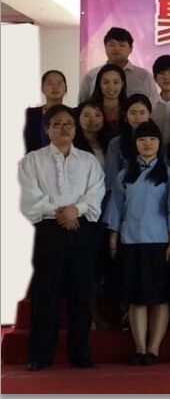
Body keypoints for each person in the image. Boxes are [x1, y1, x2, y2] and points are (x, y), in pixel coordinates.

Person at [19, 105, 106, 371]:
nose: (64, 128)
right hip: (49, 229)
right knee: (46, 293)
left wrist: (76, 210)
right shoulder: (33, 160)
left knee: (81, 292)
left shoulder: (88, 161)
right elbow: (30, 197)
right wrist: (61, 212)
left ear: (75, 128)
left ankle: (80, 354)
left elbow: (96, 191)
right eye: (57, 124)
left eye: (68, 123)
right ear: (47, 129)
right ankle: (40, 355)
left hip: (81, 228)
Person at [104, 120, 170, 366]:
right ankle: (140, 347)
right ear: (135, 144)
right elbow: (116, 208)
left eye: (152, 139)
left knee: (159, 298)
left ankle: (154, 348)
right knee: (136, 298)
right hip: (131, 241)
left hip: (159, 242)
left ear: (160, 143)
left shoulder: (169, 175)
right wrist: (113, 239)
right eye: (142, 139)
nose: (147, 144)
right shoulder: (125, 175)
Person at [79, 27, 158, 104]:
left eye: (122, 45)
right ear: (105, 47)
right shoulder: (91, 75)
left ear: (131, 48)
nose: (116, 49)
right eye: (111, 45)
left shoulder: (144, 76)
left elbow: (153, 105)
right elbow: (82, 105)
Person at [24, 70, 68, 153]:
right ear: (42, 89)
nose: (55, 87)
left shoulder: (73, 115)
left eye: (59, 83)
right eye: (50, 83)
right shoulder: (30, 114)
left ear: (66, 89)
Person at [87, 63, 128, 137]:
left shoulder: (130, 109)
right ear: (99, 84)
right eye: (106, 82)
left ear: (122, 84)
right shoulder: (89, 109)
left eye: (116, 82)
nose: (111, 87)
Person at [73, 101, 111, 167]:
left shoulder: (111, 143)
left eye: (97, 115)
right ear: (78, 119)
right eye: (86, 115)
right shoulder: (72, 145)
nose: (93, 120)